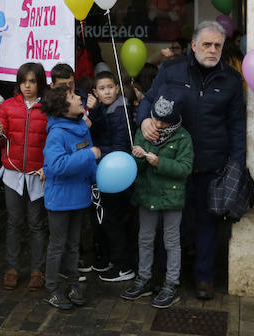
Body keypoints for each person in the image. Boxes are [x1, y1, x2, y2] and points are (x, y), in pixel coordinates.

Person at [136, 20, 245, 300]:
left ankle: (204, 278)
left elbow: (237, 126)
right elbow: (148, 100)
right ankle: (167, 276)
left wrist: (236, 165)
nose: (212, 50)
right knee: (172, 224)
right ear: (194, 45)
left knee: (208, 225)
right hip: (172, 164)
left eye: (217, 45)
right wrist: (144, 119)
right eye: (207, 44)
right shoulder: (171, 70)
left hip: (212, 163)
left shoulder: (232, 80)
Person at [123, 91, 193, 309]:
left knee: (171, 241)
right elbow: (135, 168)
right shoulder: (144, 131)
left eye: (164, 122)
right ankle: (143, 279)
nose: (159, 125)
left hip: (171, 196)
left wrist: (159, 162)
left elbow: (185, 168)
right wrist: (137, 156)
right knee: (144, 238)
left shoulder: (183, 137)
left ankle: (171, 284)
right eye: (156, 119)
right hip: (147, 194)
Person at [40, 85, 99, 309]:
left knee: (74, 245)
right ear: (64, 108)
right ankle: (52, 288)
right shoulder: (56, 134)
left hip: (80, 196)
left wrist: (97, 181)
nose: (79, 98)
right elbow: (57, 166)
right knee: (57, 246)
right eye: (73, 96)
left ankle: (74, 285)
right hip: (60, 200)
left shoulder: (82, 127)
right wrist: (89, 155)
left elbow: (88, 164)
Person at [0, 62, 49, 291]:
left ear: (40, 83)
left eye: (32, 81)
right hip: (12, 173)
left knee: (36, 224)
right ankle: (12, 269)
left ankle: (37, 271)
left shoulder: (48, 108)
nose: (27, 86)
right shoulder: (7, 106)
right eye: (23, 81)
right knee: (14, 223)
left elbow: (53, 142)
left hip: (37, 174)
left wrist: (48, 168)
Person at [86, 71, 135, 282]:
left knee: (114, 220)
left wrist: (98, 153)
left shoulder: (120, 110)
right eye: (102, 88)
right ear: (95, 92)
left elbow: (120, 146)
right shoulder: (104, 109)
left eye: (110, 87)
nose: (107, 92)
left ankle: (123, 266)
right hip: (106, 171)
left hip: (116, 172)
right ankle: (109, 259)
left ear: (117, 88)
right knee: (105, 218)